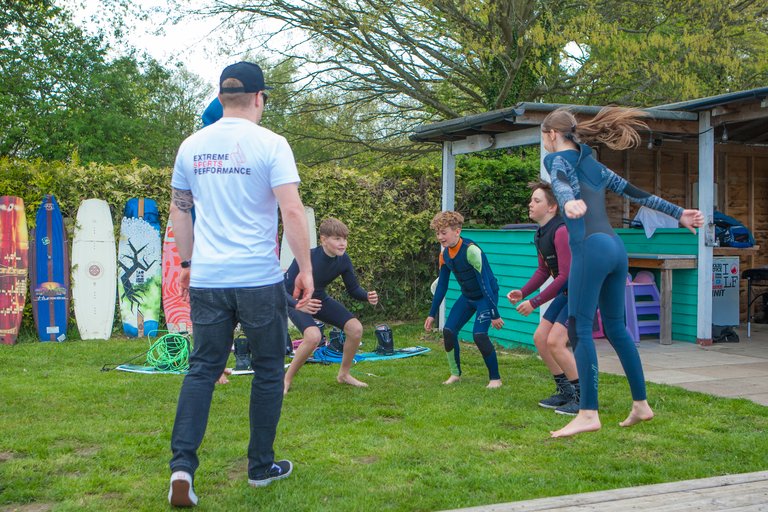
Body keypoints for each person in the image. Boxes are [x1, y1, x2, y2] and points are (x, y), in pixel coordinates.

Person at [167, 61, 314, 507]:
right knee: (269, 370)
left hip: (209, 277)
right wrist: (305, 268)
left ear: (222, 97)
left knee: (202, 369)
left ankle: (182, 469)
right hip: (257, 278)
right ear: (258, 98)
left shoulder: (190, 146)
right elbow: (291, 211)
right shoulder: (272, 144)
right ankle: (260, 467)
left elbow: (180, 210)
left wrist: (188, 261)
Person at [541, 107, 704, 438]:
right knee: (616, 328)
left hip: (589, 248)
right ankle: (641, 404)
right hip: (615, 249)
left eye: (544, 137)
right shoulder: (593, 163)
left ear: (552, 135)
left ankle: (588, 412)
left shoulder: (556, 159)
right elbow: (635, 192)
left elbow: (558, 180)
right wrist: (679, 214)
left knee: (579, 329)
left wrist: (569, 200)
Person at [507, 182, 580, 415]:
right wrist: (524, 292)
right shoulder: (540, 233)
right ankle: (566, 391)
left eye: (537, 200)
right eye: (531, 200)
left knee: (555, 342)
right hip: (567, 291)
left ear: (552, 207)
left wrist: (535, 302)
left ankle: (584, 396)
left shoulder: (561, 231)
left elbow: (567, 275)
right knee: (540, 338)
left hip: (581, 291)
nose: (531, 203)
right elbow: (544, 270)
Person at [283, 217, 379, 393]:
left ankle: (344, 374)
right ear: (323, 239)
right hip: (296, 302)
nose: (343, 243)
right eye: (337, 239)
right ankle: (286, 379)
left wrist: (367, 296)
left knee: (355, 329)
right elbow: (283, 291)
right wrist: (299, 305)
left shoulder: (343, 260)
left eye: (344, 239)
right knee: (313, 337)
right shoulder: (306, 258)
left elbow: (353, 289)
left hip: (319, 299)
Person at [425, 211, 504, 388]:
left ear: (457, 231)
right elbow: (442, 286)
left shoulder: (471, 250)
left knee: (479, 334)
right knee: (449, 331)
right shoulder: (444, 255)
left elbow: (485, 284)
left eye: (443, 233)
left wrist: (494, 313)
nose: (440, 237)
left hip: (486, 296)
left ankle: (495, 378)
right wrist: (432, 314)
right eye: (437, 233)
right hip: (468, 296)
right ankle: (455, 374)